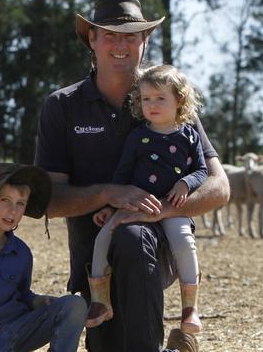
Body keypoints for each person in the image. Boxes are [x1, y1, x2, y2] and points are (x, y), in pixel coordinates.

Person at [34, 0, 229, 352]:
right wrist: (110, 194)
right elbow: (50, 201)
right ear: (91, 39)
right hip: (94, 257)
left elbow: (219, 187)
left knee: (134, 236)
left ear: (146, 42)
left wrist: (162, 210)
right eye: (109, 35)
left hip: (154, 250)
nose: (121, 44)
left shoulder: (168, 99)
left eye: (132, 35)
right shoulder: (62, 106)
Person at [87, 65, 206, 335]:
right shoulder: (138, 137)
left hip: (173, 208)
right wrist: (111, 205)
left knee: (185, 242)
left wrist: (185, 183)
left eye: (160, 98)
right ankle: (100, 301)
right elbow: (122, 174)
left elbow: (201, 170)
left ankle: (190, 308)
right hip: (136, 206)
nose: (151, 104)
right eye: (145, 98)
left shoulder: (189, 135)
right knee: (103, 236)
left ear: (179, 100)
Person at [0, 163, 87, 352]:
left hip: (12, 334)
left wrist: (37, 301)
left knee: (74, 305)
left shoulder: (22, 254)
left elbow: (21, 294)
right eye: (5, 200)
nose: (13, 210)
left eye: (20, 204)